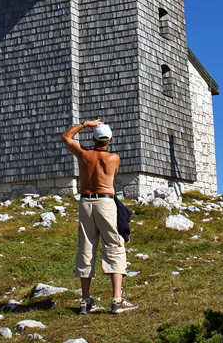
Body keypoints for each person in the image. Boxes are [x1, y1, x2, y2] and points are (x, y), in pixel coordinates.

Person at [62, 119, 138, 315]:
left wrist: (86, 123)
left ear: (93, 138)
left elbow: (66, 137)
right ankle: (117, 299)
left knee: (86, 247)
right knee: (113, 246)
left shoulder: (84, 155)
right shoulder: (114, 158)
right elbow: (113, 176)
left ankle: (85, 301)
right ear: (110, 139)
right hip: (105, 201)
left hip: (85, 202)